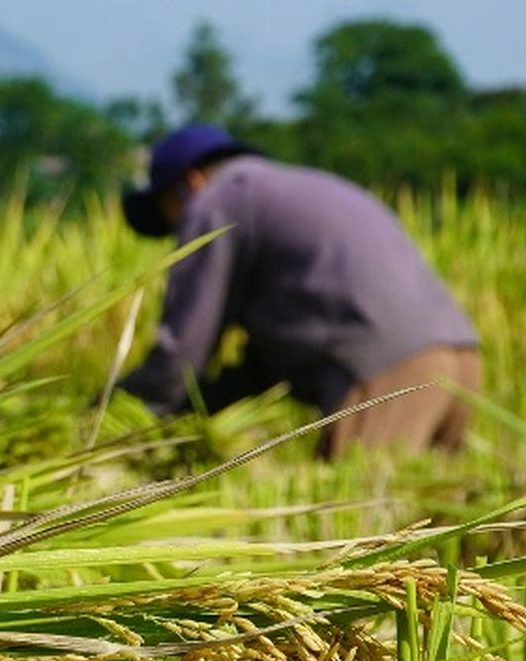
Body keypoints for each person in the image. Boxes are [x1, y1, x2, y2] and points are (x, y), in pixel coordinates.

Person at [117, 124, 480, 457]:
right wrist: (201, 403)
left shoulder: (217, 200)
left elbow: (184, 346)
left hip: (387, 374)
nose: (177, 227)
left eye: (170, 214)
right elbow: (263, 368)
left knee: (360, 516)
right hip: (461, 360)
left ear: (191, 181)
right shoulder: (294, 190)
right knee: (433, 517)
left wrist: (120, 411)